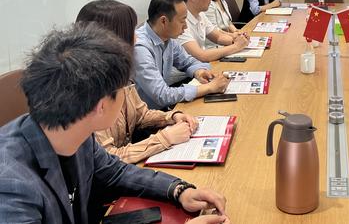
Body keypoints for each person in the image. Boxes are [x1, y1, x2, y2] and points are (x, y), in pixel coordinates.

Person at [0, 23, 230, 223]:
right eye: (125, 87)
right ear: (101, 106)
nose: (129, 92)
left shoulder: (73, 130)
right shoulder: (11, 185)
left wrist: (179, 191)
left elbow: (116, 172)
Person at [76, 0, 199, 164]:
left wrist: (173, 116)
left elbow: (141, 115)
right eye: (131, 31)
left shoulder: (120, 74)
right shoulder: (87, 92)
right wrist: (165, 138)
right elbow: (107, 159)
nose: (136, 37)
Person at [135, 0, 229, 110]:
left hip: (164, 110)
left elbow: (188, 61)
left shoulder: (167, 38)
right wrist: (209, 88)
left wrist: (199, 72)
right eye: (182, 21)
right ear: (163, 21)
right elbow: (162, 95)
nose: (185, 26)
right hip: (147, 116)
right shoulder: (140, 48)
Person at [177, 0, 249, 60]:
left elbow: (218, 37)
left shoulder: (200, 14)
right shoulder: (180, 21)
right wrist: (236, 46)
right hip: (192, 67)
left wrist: (238, 40)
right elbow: (201, 56)